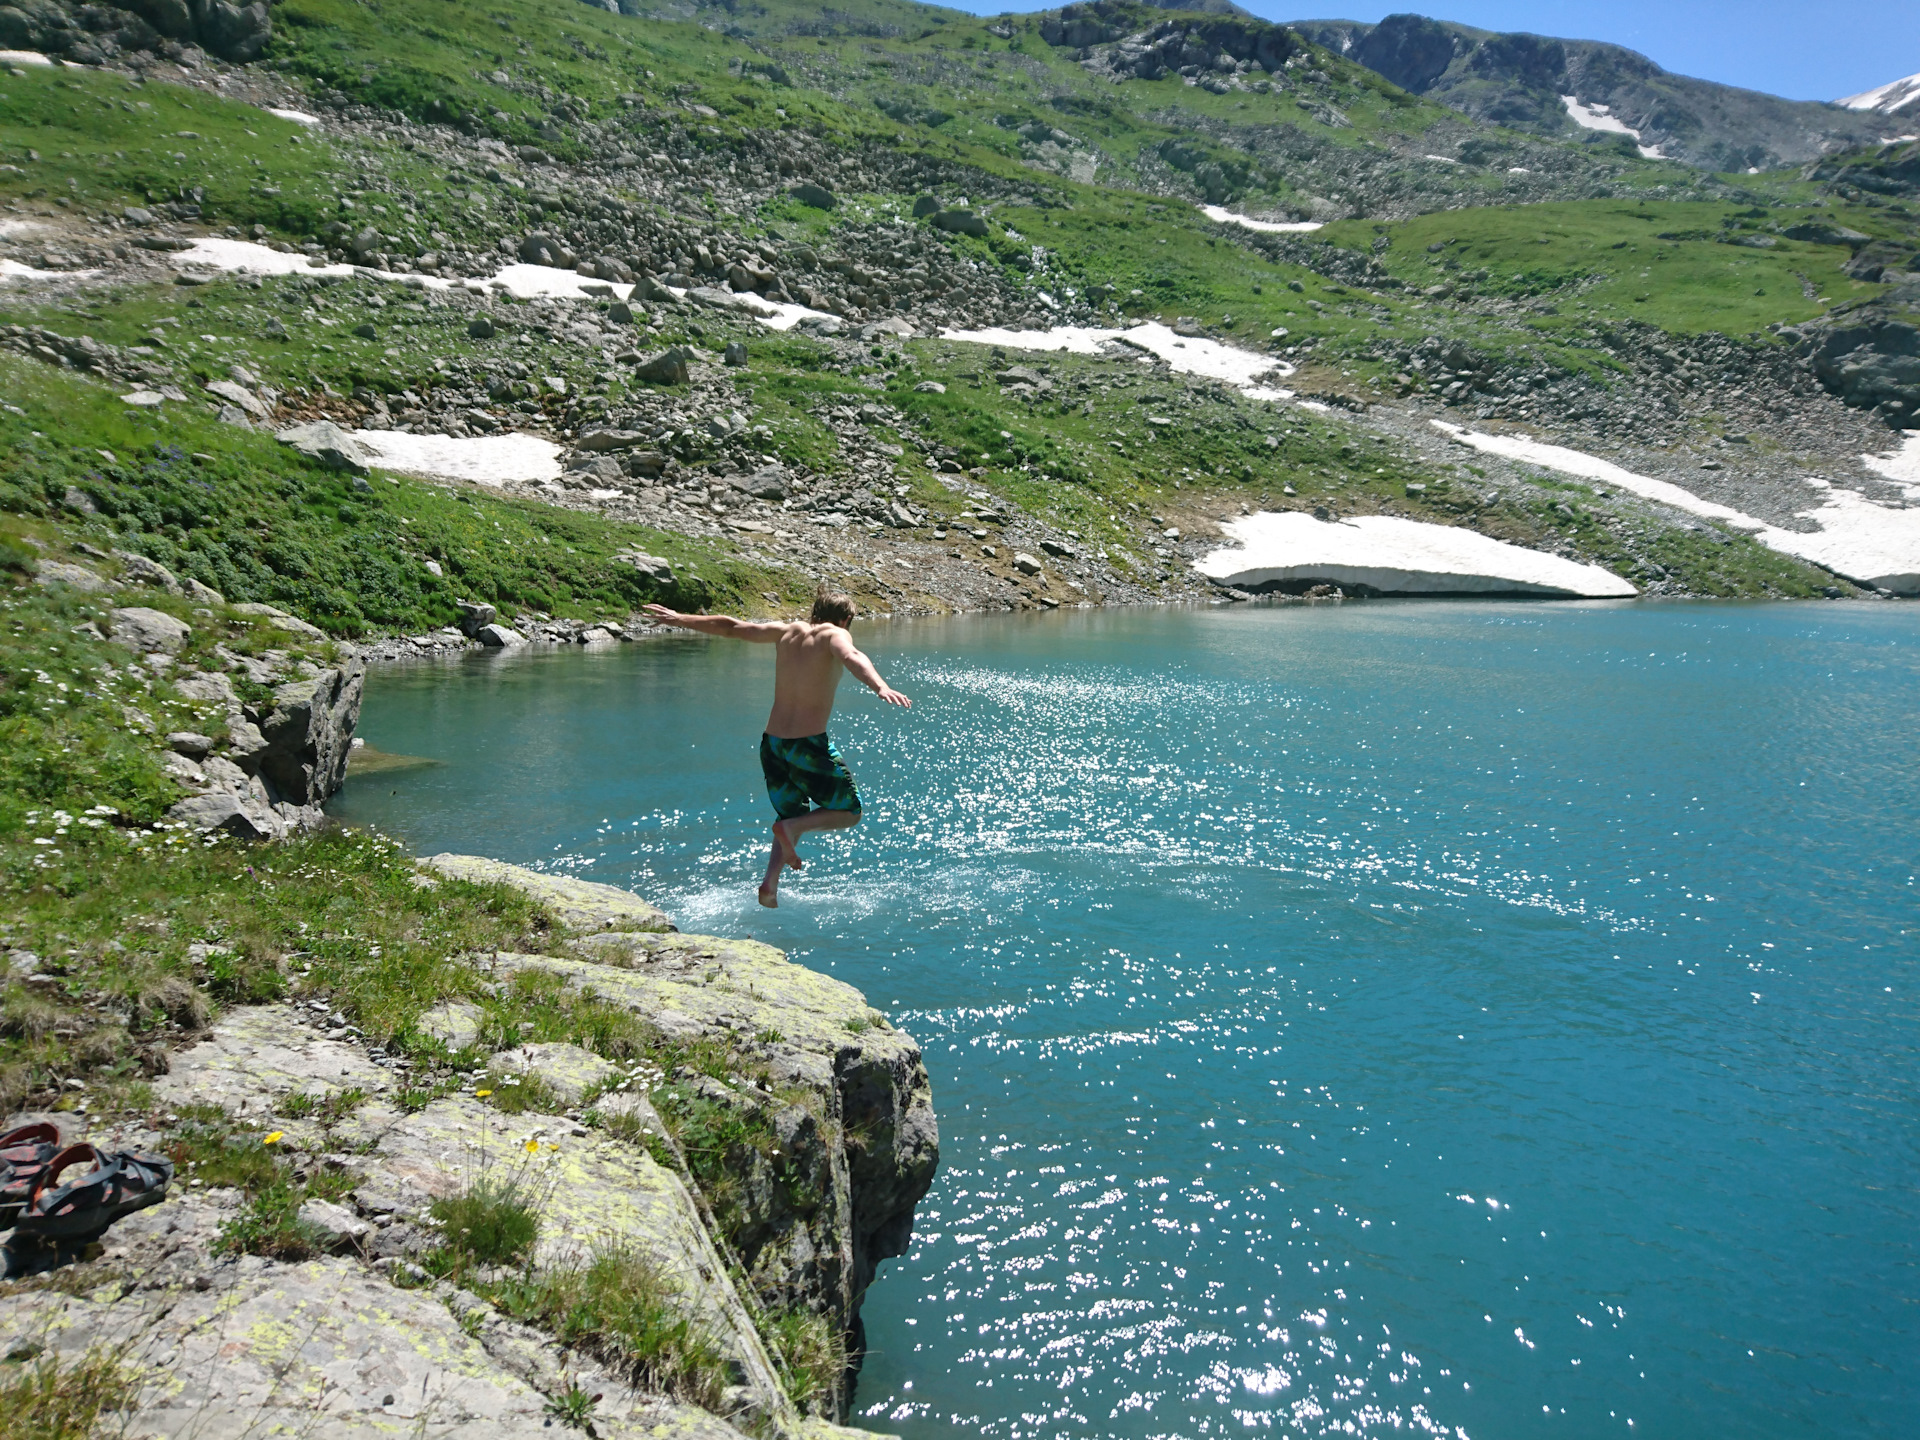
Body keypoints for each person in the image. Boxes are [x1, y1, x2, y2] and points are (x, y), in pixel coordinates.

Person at [642, 591, 911, 907]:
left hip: (773, 745)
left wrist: (679, 618)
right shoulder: (836, 634)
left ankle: (770, 884)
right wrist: (880, 686)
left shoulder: (786, 631)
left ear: (813, 612)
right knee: (849, 812)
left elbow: (732, 627)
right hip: (807, 745)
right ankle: (791, 830)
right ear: (846, 619)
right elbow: (852, 656)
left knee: (789, 812)